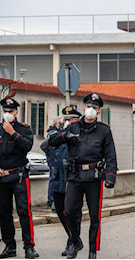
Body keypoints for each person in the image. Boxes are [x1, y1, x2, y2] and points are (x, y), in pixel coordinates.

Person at [49, 93, 117, 259]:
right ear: (84, 108)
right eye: (88, 106)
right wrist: (66, 135)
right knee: (69, 210)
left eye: (95, 107)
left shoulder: (104, 130)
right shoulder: (73, 127)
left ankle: (93, 250)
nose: (91, 110)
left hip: (94, 176)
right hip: (75, 176)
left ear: (99, 111)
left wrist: (110, 176)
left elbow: (111, 156)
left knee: (95, 215)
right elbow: (53, 141)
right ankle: (75, 240)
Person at [0, 91, 39, 259]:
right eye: (5, 110)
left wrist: (12, 133)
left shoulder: (24, 129)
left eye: (11, 110)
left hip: (20, 176)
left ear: (16, 112)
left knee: (24, 211)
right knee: (4, 213)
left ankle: (29, 246)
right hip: (2, 177)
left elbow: (27, 146)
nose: (7, 113)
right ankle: (9, 246)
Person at [43, 106, 82, 257]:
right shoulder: (58, 134)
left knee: (73, 212)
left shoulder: (78, 134)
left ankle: (72, 241)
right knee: (60, 210)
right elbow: (47, 145)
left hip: (74, 179)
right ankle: (72, 238)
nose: (67, 122)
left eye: (70, 119)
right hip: (59, 178)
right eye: (65, 119)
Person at [40, 116, 63, 212]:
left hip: (55, 159)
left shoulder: (54, 132)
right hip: (54, 160)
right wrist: (51, 155)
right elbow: (44, 145)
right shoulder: (53, 133)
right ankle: (52, 201)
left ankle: (53, 201)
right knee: (54, 179)